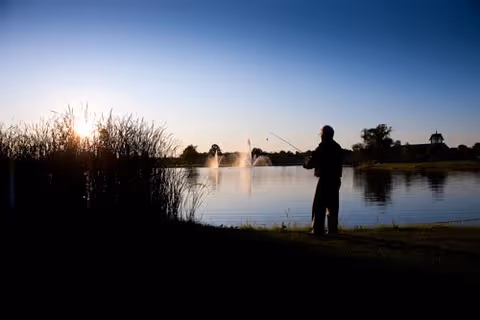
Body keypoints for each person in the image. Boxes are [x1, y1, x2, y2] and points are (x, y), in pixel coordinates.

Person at [303, 125, 343, 235]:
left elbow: (311, 164)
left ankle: (318, 230)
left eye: (321, 134)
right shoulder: (337, 147)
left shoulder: (322, 147)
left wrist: (306, 162)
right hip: (335, 180)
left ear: (324, 135)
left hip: (325, 180)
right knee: (333, 207)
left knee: (319, 206)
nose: (320, 136)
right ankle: (332, 231)